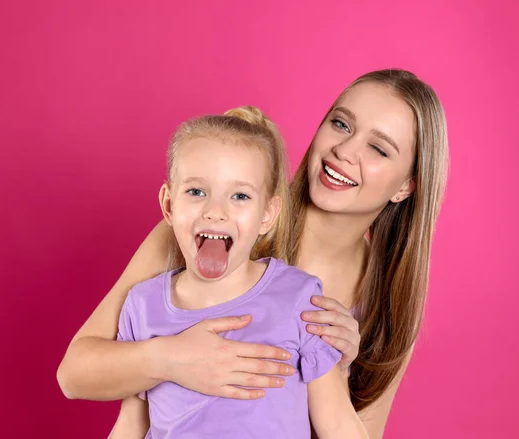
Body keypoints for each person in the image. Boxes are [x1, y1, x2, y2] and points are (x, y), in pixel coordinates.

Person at [57, 69, 448, 439]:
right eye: (340, 124)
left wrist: (335, 369)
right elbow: (75, 375)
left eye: (378, 148)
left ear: (407, 186)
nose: (345, 150)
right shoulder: (206, 231)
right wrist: (170, 358)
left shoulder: (385, 305)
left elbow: (352, 428)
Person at [109, 106, 367, 438]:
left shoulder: (299, 298)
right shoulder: (142, 307)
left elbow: (339, 424)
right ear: (169, 205)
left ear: (267, 215)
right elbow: (130, 425)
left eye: (240, 196)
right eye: (197, 192)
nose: (216, 211)